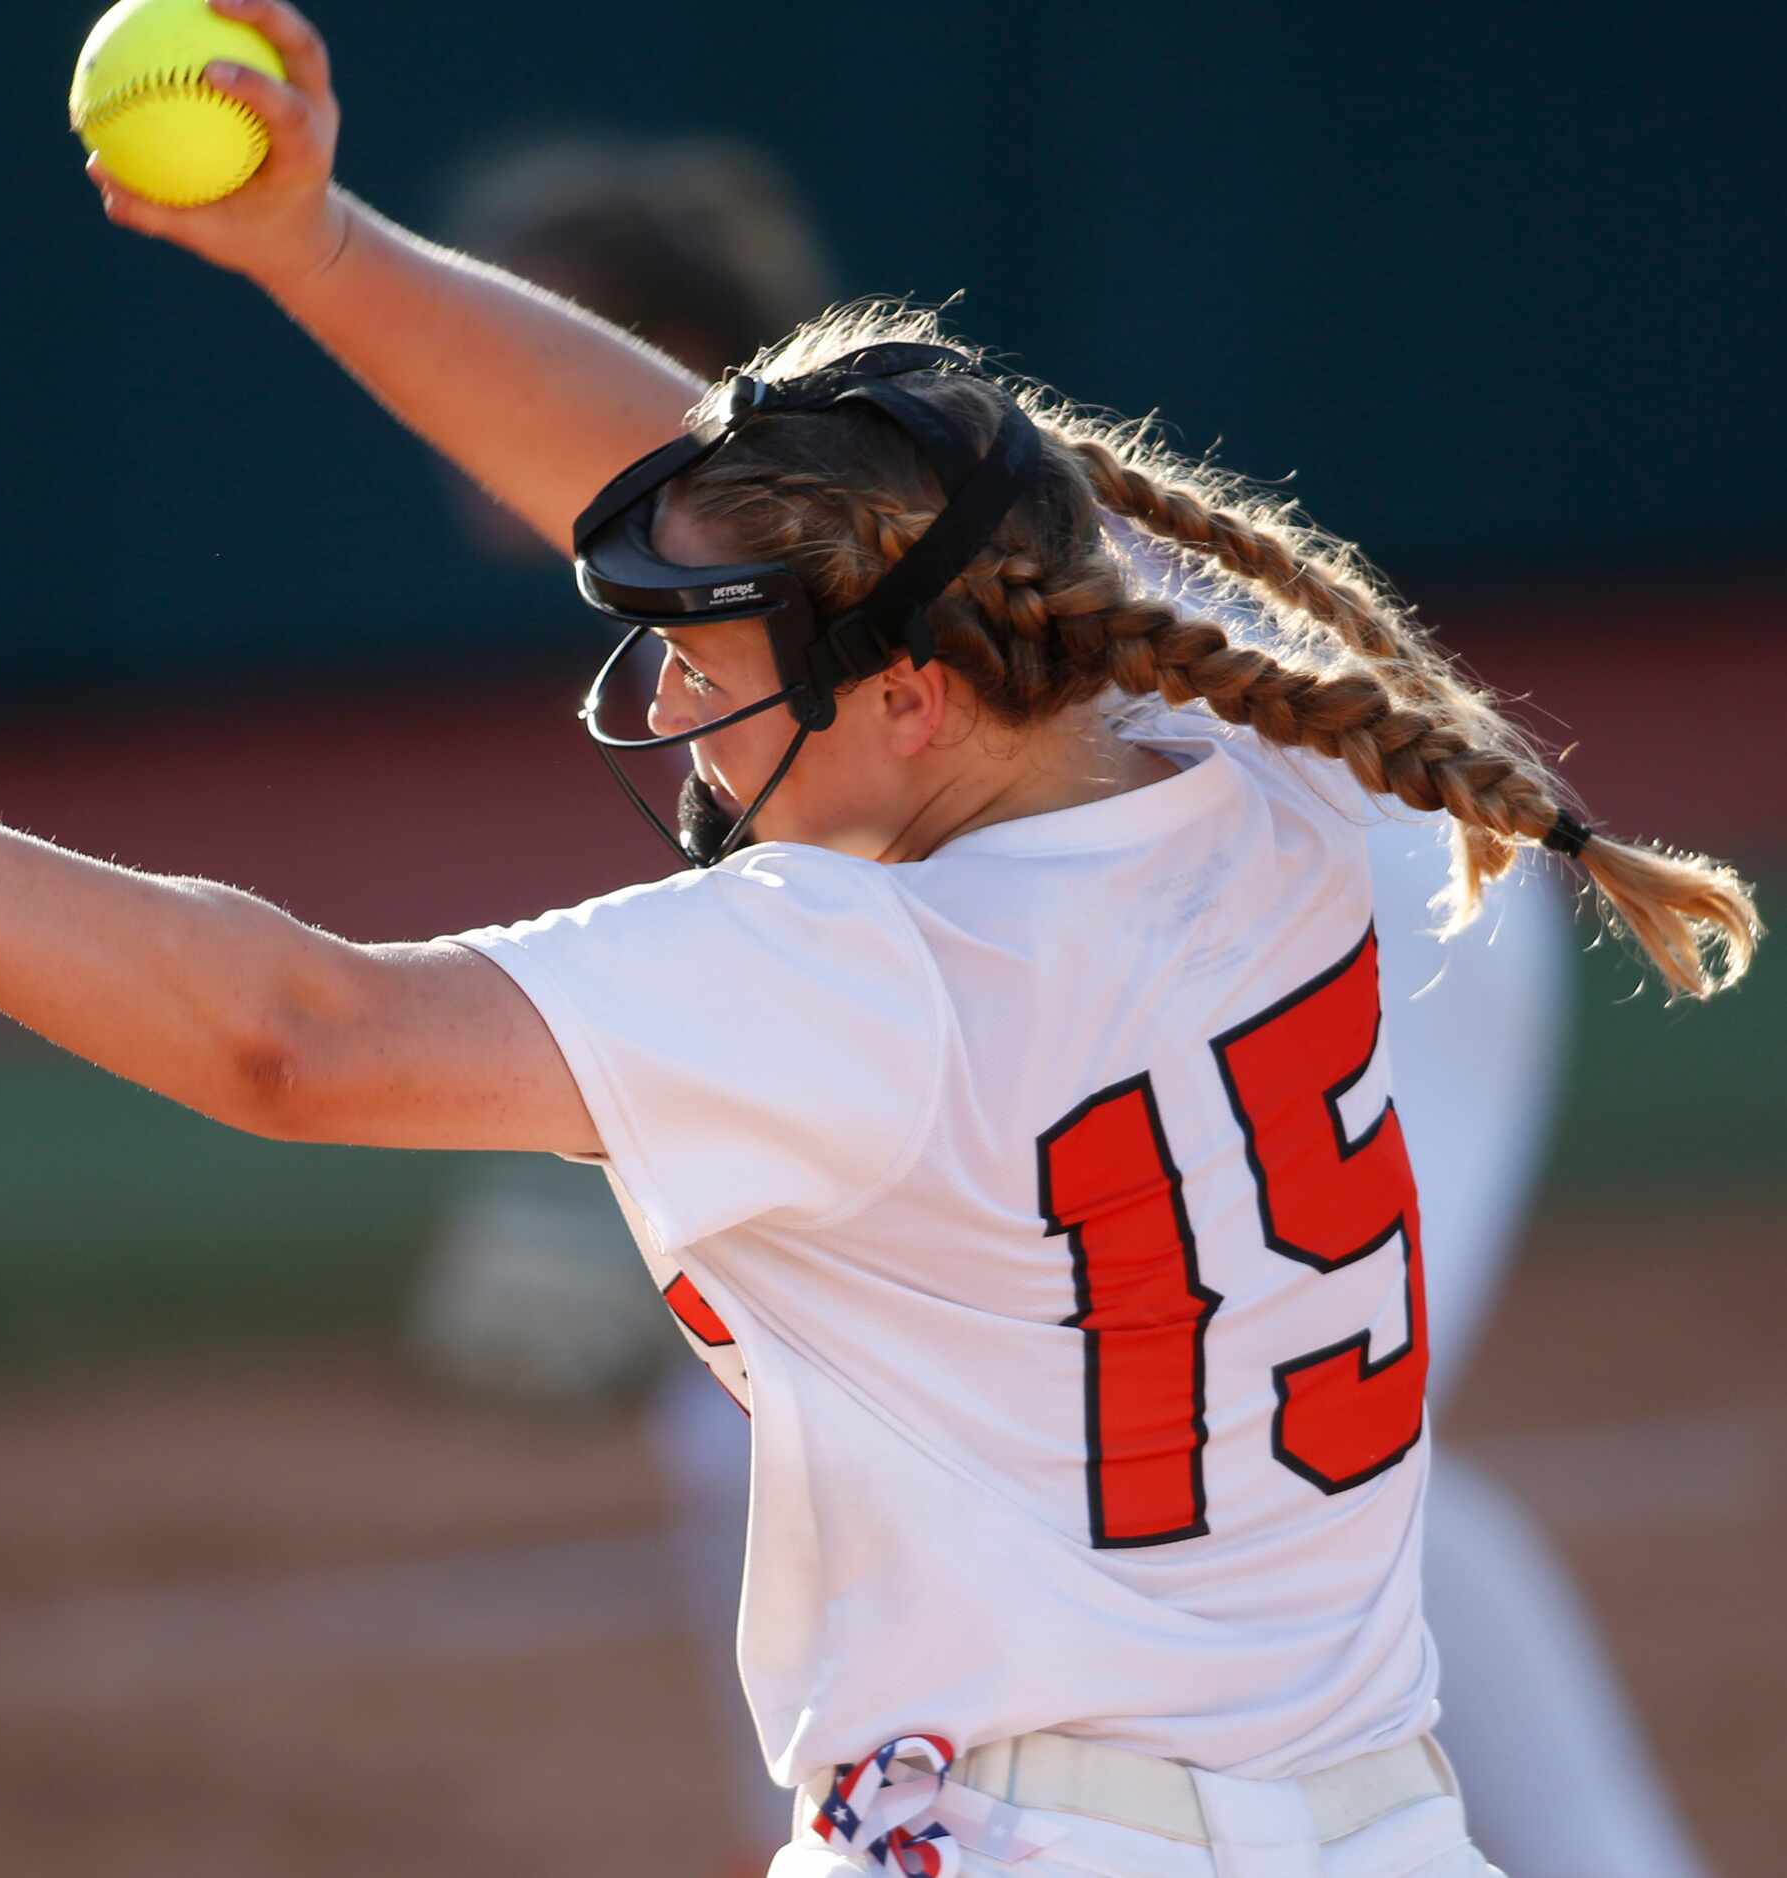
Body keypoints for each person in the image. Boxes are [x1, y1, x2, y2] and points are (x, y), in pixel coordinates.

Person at [0, 4, 1762, 1870]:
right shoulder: (1249, 761)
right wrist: (311, 243)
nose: (665, 702)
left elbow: (284, 1035)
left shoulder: (852, 980)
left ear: (912, 696)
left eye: (715, 659)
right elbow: (687, 468)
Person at [412, 134, 1725, 1878]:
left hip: (1379, 909)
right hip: (1245, 903)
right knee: (1234, 1460)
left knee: (1296, 1457)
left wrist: (306, 247)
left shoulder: (837, 521)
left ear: (632, 341)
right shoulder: (846, 496)